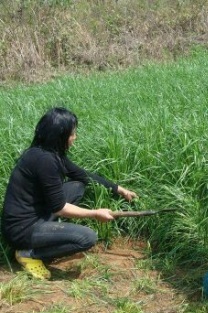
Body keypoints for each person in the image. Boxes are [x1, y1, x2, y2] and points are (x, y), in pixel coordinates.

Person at [1, 107, 138, 280]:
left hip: (36, 212)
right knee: (87, 237)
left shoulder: (49, 152)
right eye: (72, 134)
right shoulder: (45, 161)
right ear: (60, 136)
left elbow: (82, 175)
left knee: (77, 186)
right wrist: (95, 213)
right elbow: (59, 208)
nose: (75, 137)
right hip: (22, 229)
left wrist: (118, 189)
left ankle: (49, 233)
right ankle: (29, 253)